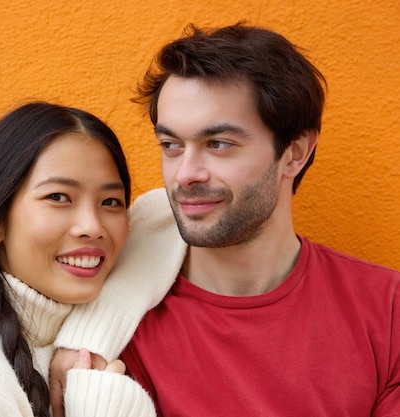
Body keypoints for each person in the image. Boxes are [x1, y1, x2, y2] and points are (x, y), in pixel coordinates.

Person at [50, 23, 400, 416]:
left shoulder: (387, 310)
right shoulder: (107, 333)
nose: (185, 174)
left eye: (218, 144)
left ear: (295, 152)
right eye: (171, 145)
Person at [0, 101, 156, 417]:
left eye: (110, 201)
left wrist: (88, 335)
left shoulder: (68, 332)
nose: (93, 227)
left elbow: (165, 218)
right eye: (58, 197)